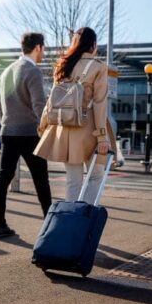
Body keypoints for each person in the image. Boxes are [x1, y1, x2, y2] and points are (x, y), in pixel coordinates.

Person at [35, 27, 113, 203]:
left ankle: (70, 222)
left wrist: (43, 125)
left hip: (64, 128)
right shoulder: (98, 67)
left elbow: (52, 99)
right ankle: (83, 217)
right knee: (95, 176)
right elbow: (100, 103)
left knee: (73, 181)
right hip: (89, 129)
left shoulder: (63, 64)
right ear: (93, 45)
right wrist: (102, 137)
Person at [0, 32, 52, 240]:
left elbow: (0, 106)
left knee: (3, 178)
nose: (43, 52)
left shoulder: (6, 72)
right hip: (29, 133)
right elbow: (39, 105)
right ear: (37, 47)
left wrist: (6, 125)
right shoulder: (32, 71)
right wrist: (46, 128)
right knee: (41, 180)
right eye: (43, 48)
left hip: (8, 132)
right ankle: (50, 226)